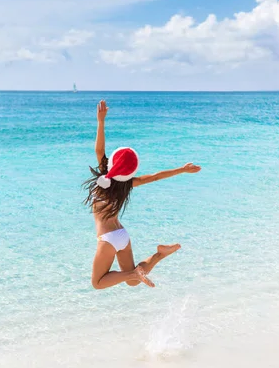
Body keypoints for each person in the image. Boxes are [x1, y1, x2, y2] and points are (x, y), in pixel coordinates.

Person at [83, 100, 201, 290]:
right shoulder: (128, 184)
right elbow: (155, 176)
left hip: (108, 239)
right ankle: (159, 254)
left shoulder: (105, 175)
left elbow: (99, 149)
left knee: (98, 283)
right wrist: (182, 169)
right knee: (131, 282)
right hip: (121, 235)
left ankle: (134, 272)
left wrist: (101, 121)